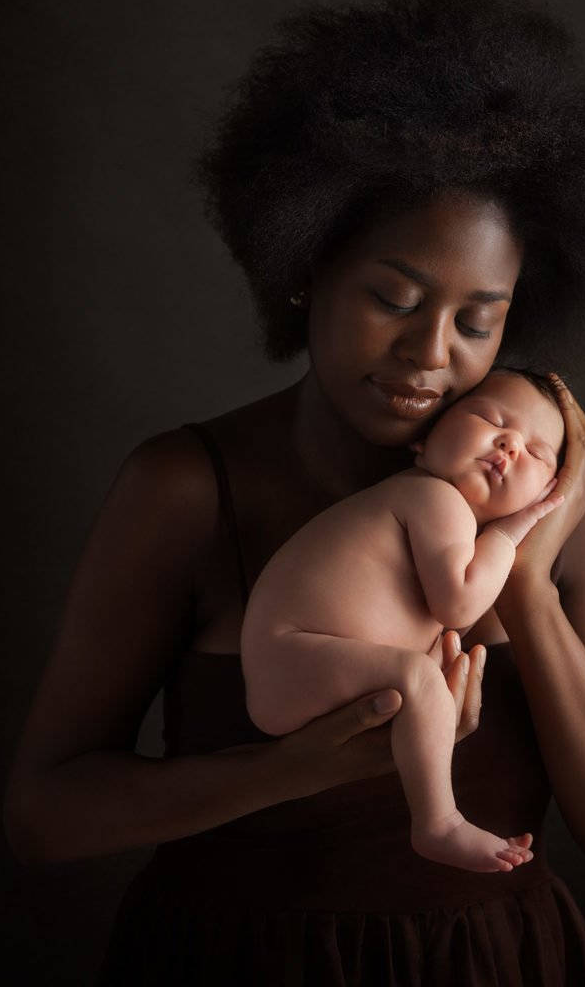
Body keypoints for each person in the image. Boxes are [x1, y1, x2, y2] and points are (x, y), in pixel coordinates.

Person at [3, 0, 585, 985]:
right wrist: (284, 772)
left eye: (477, 320)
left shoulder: (576, 517)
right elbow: (41, 817)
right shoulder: (189, 488)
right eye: (392, 299)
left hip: (493, 965)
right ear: (304, 266)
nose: (430, 354)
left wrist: (530, 585)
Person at [242, 367, 565, 875]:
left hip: (299, 666)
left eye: (538, 453)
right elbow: (459, 606)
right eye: (490, 419)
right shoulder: (435, 498)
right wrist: (509, 533)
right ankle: (438, 822)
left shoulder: (433, 509)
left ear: (549, 490)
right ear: (424, 439)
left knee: (426, 669)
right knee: (418, 675)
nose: (510, 443)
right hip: (296, 656)